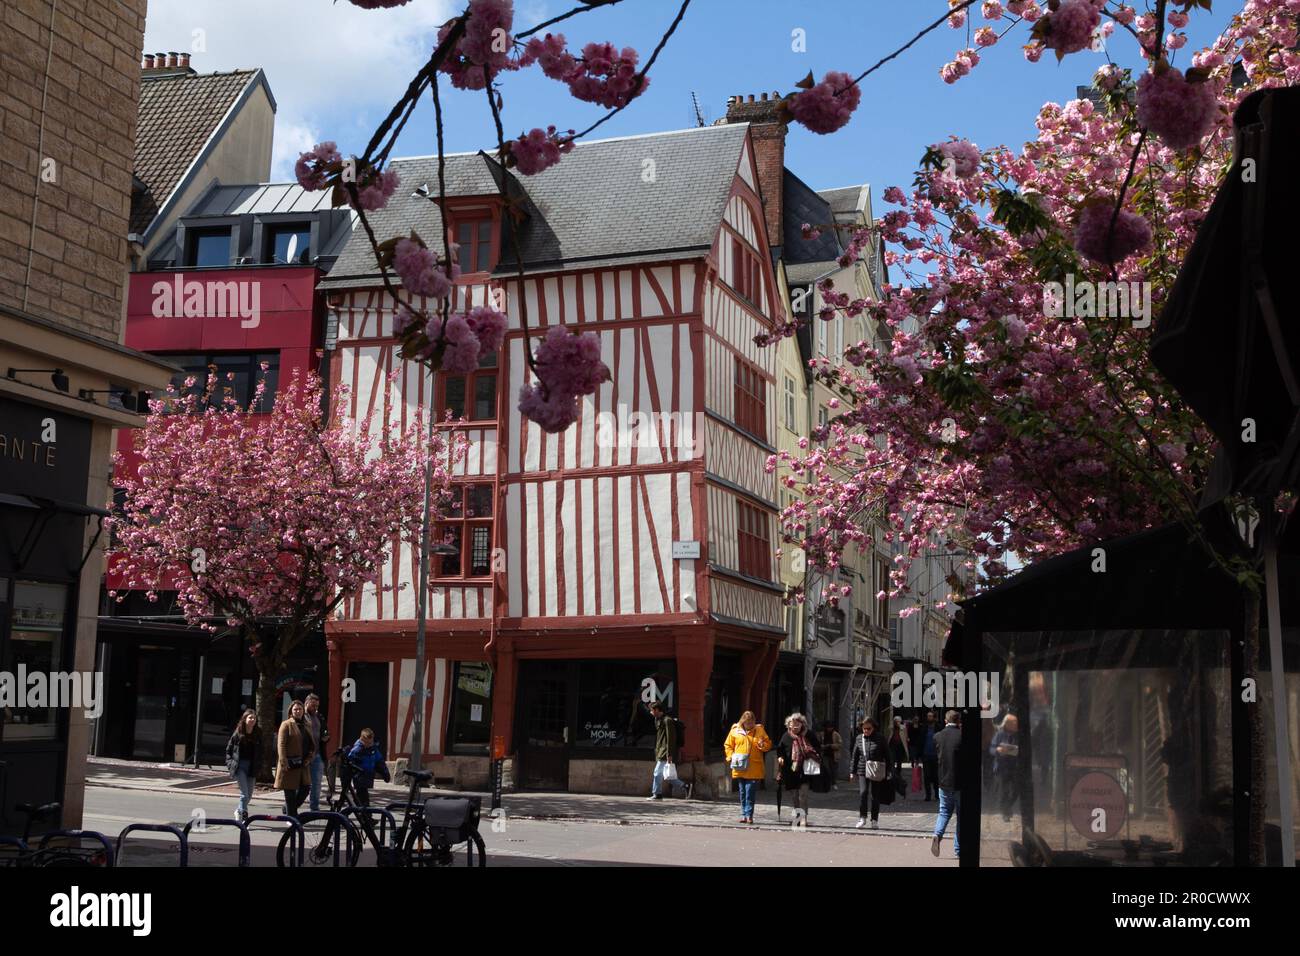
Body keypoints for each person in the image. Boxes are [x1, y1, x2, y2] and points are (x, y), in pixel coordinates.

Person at [723, 710, 771, 825]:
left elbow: (768, 745)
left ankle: (749, 815)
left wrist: (762, 745)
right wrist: (730, 757)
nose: (749, 725)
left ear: (754, 721)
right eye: (747, 723)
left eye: (751, 723)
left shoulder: (759, 730)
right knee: (742, 792)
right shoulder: (735, 731)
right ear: (742, 722)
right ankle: (744, 814)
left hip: (754, 766)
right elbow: (728, 745)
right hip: (740, 766)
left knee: (750, 792)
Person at [776, 713, 823, 824]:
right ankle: (798, 816)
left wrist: (810, 752)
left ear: (802, 724)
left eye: (798, 724)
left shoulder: (809, 735)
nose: (795, 727)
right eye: (793, 724)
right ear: (789, 725)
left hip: (805, 768)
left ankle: (803, 818)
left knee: (803, 794)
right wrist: (780, 758)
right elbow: (780, 750)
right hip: (791, 769)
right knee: (794, 795)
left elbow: (818, 748)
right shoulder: (786, 736)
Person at [275, 699, 316, 817]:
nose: (298, 711)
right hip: (289, 764)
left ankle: (288, 809)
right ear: (291, 711)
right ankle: (292, 818)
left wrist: (310, 756)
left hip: (303, 764)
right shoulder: (286, 724)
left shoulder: (307, 725)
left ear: (303, 711)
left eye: (300, 709)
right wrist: (283, 762)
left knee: (305, 789)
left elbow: (312, 744)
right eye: (295, 709)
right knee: (290, 793)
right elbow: (281, 744)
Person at [849, 717, 890, 829]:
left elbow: (887, 755)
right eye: (864, 728)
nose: (866, 730)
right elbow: (855, 756)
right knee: (863, 793)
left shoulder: (880, 738)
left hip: (876, 770)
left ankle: (874, 819)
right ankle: (862, 817)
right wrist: (852, 772)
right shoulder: (858, 738)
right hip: (862, 769)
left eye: (869, 728)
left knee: (875, 796)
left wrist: (890, 770)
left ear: (874, 728)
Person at [931, 709, 962, 858]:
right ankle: (958, 849)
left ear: (945, 721)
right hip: (960, 783)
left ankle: (937, 834)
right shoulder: (962, 736)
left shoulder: (938, 736)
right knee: (961, 817)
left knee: (944, 812)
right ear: (959, 721)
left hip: (944, 781)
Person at [647, 701, 690, 800]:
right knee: (668, 775)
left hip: (666, 752)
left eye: (652, 710)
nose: (651, 712)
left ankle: (657, 794)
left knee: (657, 773)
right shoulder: (658, 720)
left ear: (657, 710)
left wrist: (669, 754)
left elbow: (671, 739)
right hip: (661, 751)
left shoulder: (667, 721)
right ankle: (685, 786)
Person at [225, 709, 260, 823]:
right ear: (244, 719)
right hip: (240, 766)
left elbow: (261, 750)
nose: (252, 720)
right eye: (250, 717)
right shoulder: (238, 732)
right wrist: (230, 765)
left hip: (252, 767)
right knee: (244, 795)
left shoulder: (258, 733)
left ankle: (238, 810)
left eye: (254, 718)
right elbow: (229, 750)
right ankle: (243, 819)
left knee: (249, 795)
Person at [344, 728, 390, 806]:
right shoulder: (357, 750)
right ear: (361, 740)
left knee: (361, 798)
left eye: (370, 743)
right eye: (367, 743)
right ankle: (365, 815)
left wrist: (385, 773)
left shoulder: (373, 749)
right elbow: (349, 761)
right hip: (359, 776)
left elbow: (380, 762)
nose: (369, 745)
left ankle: (363, 813)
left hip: (368, 776)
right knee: (362, 796)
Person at [989, 713, 1021, 821]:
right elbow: (992, 749)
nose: (1016, 724)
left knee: (1016, 790)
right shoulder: (999, 734)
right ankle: (1005, 812)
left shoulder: (1019, 735)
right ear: (1007, 724)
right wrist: (998, 750)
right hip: (1002, 767)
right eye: (1014, 723)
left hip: (1015, 767)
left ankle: (1008, 807)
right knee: (1004, 791)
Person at [303, 692, 328, 812]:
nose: (315, 708)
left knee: (317, 783)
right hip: (304, 754)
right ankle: (291, 805)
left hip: (317, 754)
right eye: (313, 705)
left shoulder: (319, 717)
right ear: (306, 703)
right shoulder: (301, 716)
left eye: (317, 706)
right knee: (302, 784)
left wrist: (326, 737)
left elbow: (324, 731)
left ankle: (314, 808)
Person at [921, 710, 940, 801]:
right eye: (928, 716)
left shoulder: (938, 728)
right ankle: (928, 795)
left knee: (936, 776)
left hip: (935, 755)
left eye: (930, 716)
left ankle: (937, 794)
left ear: (934, 717)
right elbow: (919, 741)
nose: (929, 718)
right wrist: (917, 757)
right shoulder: (924, 727)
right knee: (927, 776)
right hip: (926, 755)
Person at [821, 721, 842, 790]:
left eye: (830, 727)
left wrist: (831, 745)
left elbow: (840, 745)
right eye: (828, 727)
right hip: (825, 754)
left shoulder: (836, 734)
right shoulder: (822, 734)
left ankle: (834, 783)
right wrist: (823, 746)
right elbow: (819, 743)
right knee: (826, 769)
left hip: (833, 755)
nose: (829, 728)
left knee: (833, 770)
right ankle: (827, 783)